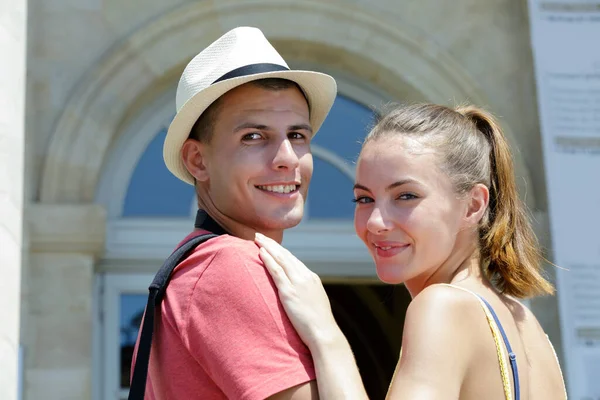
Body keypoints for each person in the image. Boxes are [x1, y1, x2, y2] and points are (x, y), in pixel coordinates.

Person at [255, 103, 568, 399]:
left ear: (473, 205)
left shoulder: (442, 306)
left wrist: (325, 333)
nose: (376, 221)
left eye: (405, 196)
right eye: (364, 199)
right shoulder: (528, 325)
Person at [130, 26, 338, 399]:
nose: (287, 159)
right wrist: (328, 336)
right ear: (198, 160)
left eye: (297, 135)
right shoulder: (231, 267)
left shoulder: (195, 266)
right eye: (254, 137)